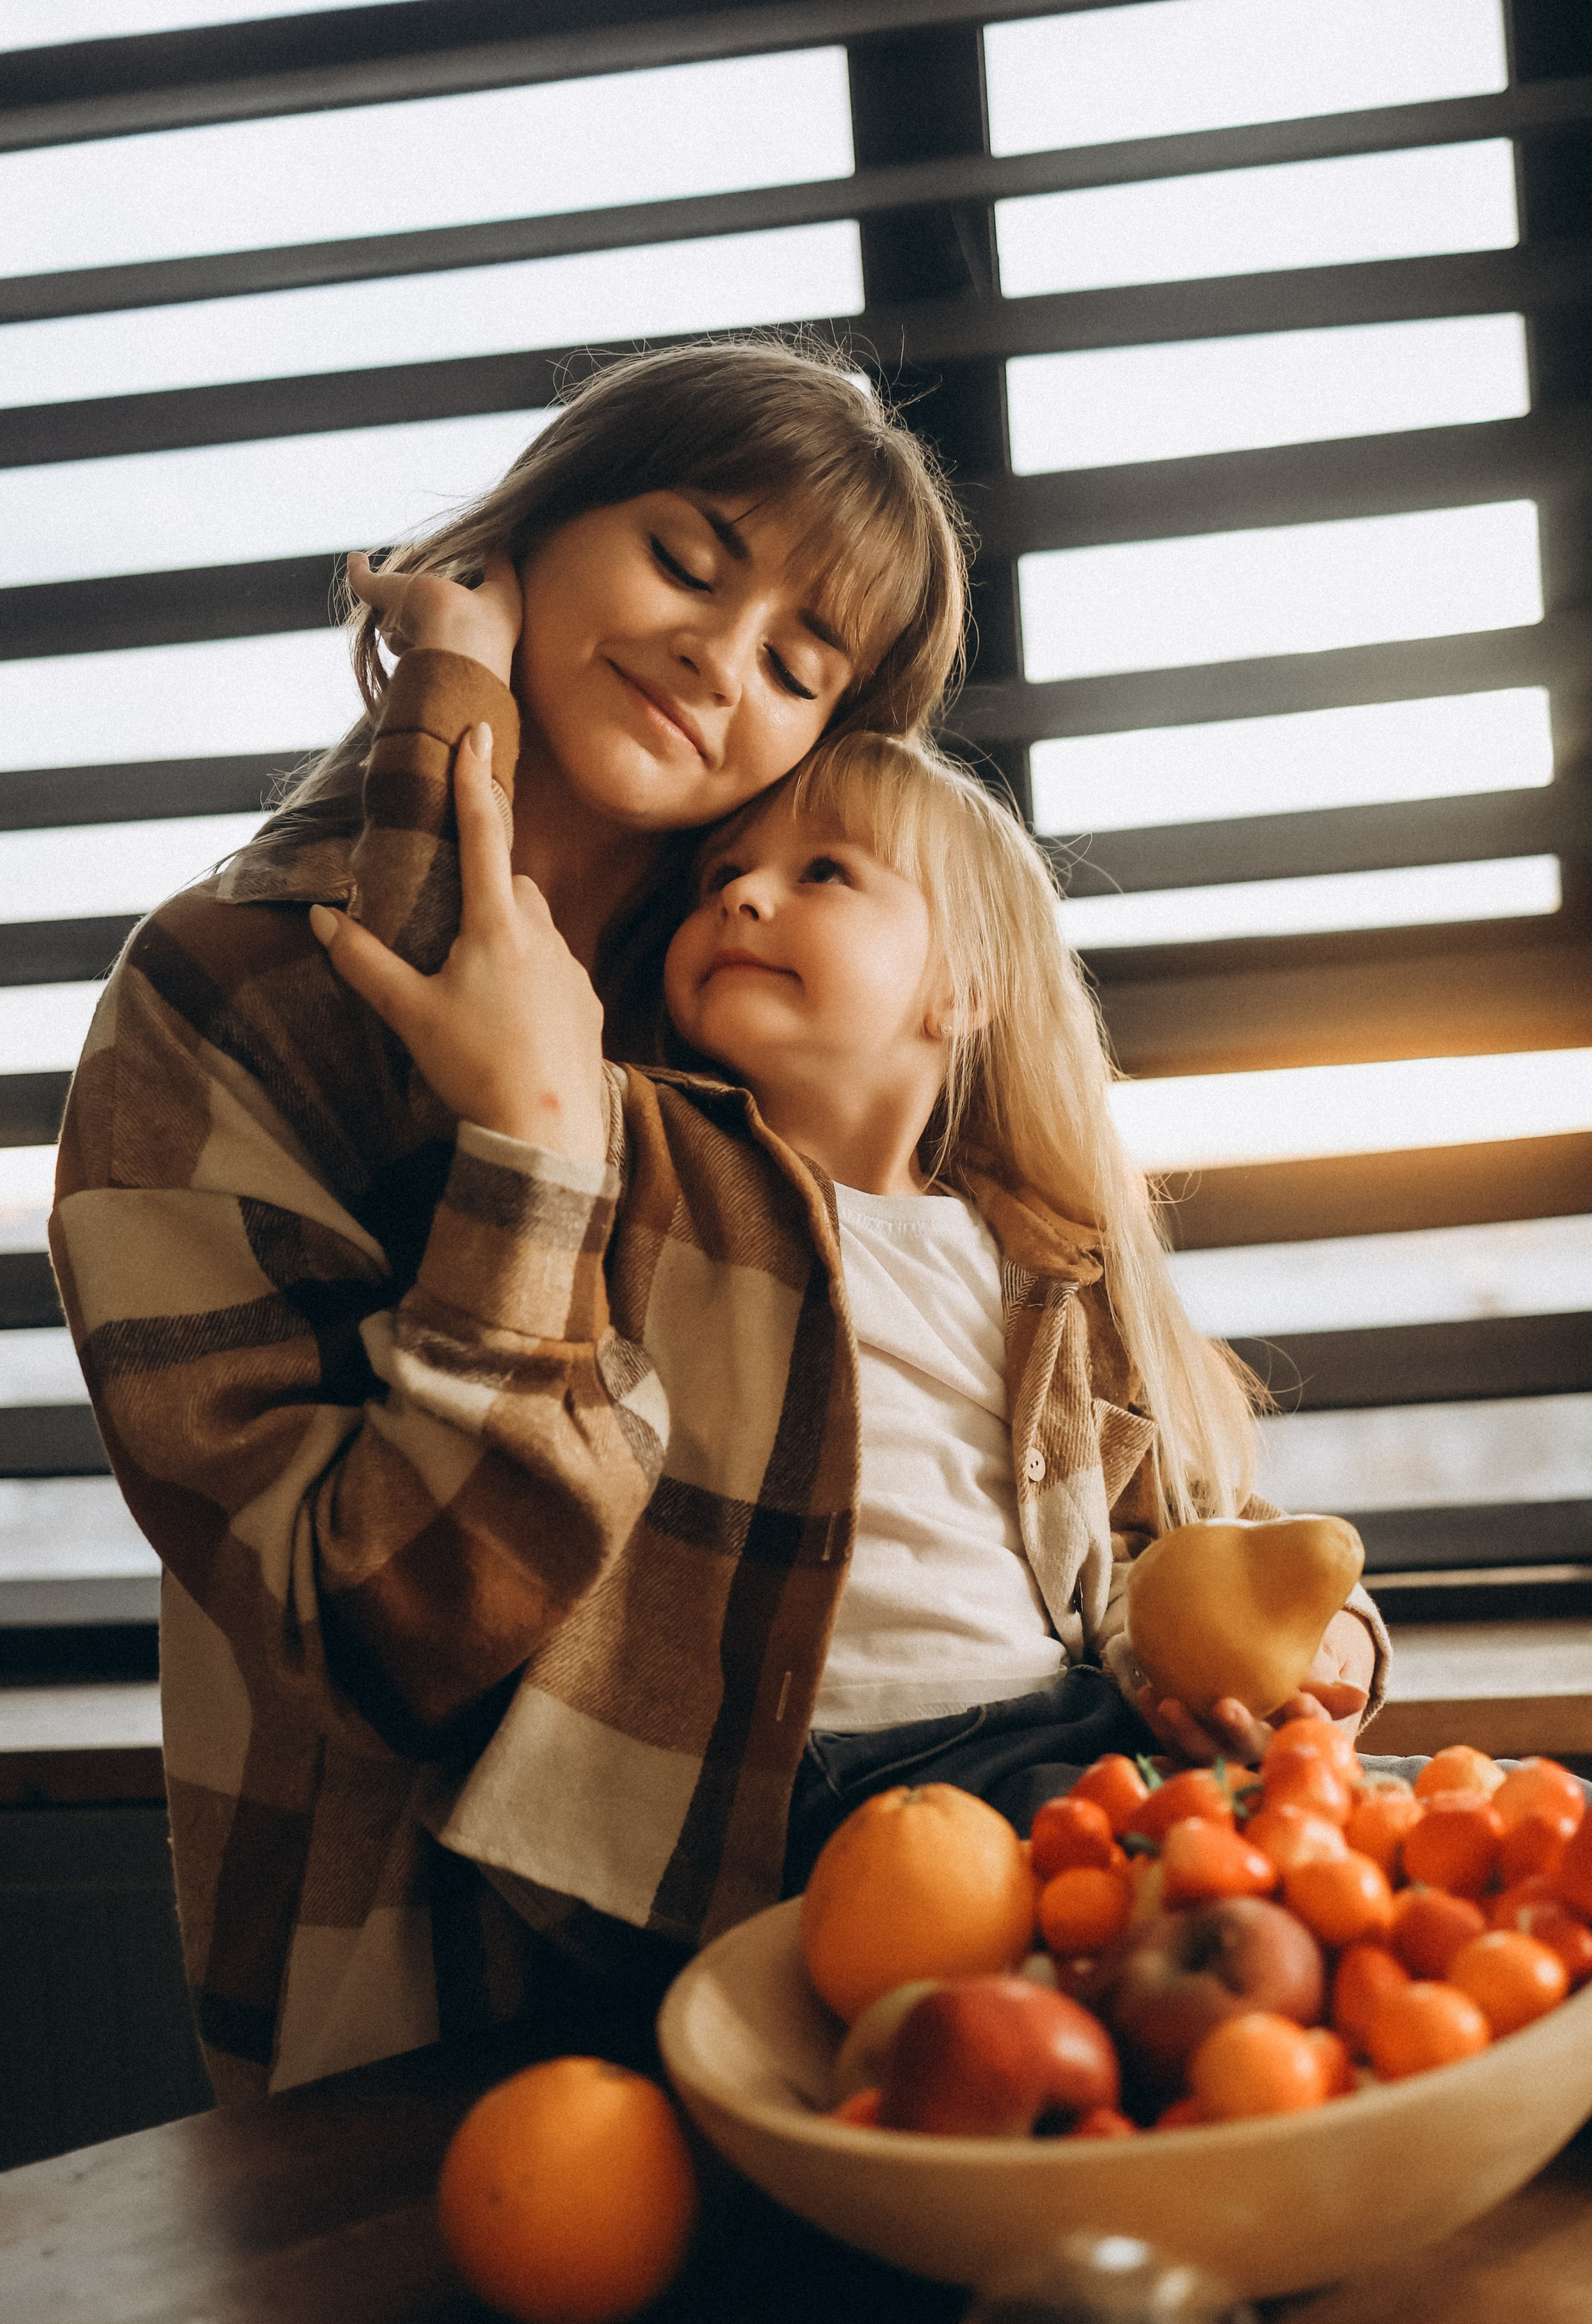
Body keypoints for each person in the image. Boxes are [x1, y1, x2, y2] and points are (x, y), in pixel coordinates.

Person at [51, 338, 970, 2099]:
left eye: (797, 660)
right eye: (689, 563)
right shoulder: (220, 992)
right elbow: (375, 1619)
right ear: (521, 539)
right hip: (437, 2018)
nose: (718, 653)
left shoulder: (753, 1013)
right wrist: (537, 1148)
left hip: (831, 1982)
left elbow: (1008, 1371)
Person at [306, 717, 1388, 2005]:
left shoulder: (1045, 1268)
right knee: (1360, 1914)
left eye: (827, 873)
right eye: (719, 881)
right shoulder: (645, 1160)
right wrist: (445, 690)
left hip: (1066, 1741)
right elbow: (443, 937)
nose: (745, 894)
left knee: (1447, 1850)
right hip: (818, 1792)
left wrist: (1332, 1659)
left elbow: (1191, 1544)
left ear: (964, 985)